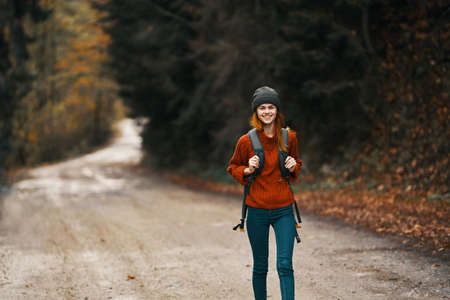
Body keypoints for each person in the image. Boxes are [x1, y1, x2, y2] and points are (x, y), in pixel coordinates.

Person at [227, 86, 303, 300]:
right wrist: (247, 169)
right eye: (262, 108)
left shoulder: (289, 138)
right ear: (256, 112)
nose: (267, 111)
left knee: (285, 265)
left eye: (271, 107)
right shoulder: (246, 141)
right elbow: (233, 167)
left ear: (277, 111)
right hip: (257, 212)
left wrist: (292, 166)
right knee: (260, 266)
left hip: (284, 211)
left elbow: (297, 163)